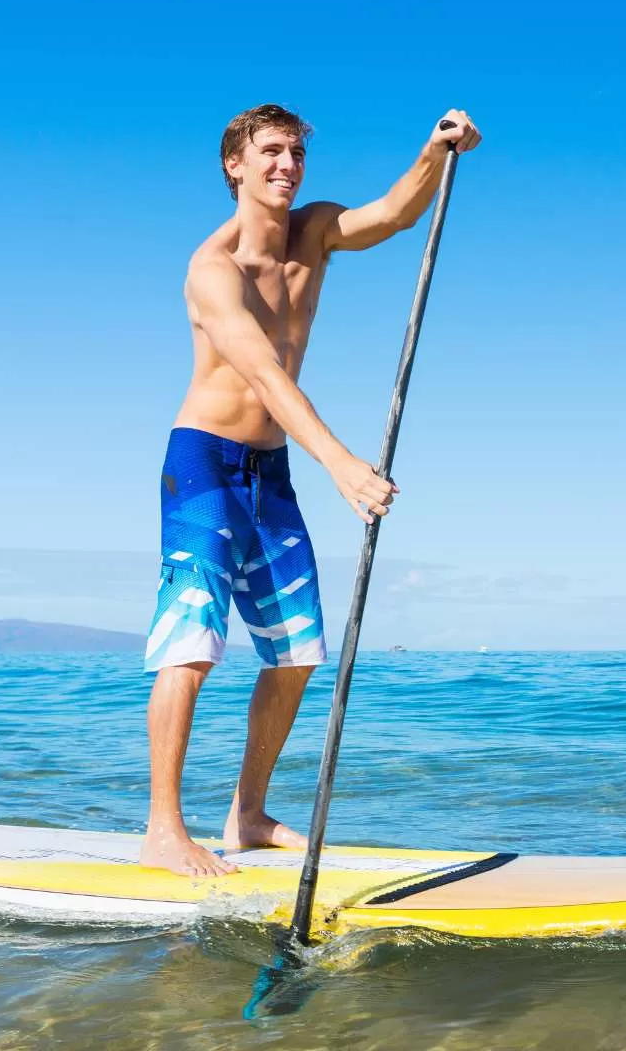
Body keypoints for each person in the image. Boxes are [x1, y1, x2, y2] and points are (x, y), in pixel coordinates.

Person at [139, 104, 481, 877]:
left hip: (272, 471)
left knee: (295, 652)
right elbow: (261, 370)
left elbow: (393, 216)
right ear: (235, 163)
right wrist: (342, 465)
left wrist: (434, 150)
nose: (286, 164)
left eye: (296, 152)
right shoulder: (213, 268)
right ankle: (163, 828)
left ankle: (248, 814)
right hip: (204, 467)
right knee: (190, 648)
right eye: (270, 151)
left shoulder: (316, 232)